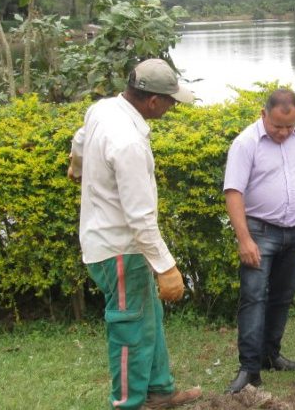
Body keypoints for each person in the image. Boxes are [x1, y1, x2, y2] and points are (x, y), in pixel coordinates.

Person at [68, 58, 202, 410]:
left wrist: (76, 163)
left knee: (148, 319)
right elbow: (140, 218)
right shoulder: (129, 142)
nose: (173, 108)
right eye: (171, 101)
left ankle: (159, 392)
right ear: (153, 101)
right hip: (120, 249)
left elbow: (81, 137)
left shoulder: (104, 109)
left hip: (117, 243)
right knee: (129, 328)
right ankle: (128, 403)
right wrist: (166, 267)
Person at [223, 88, 295, 394]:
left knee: (282, 296)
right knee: (254, 297)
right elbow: (233, 193)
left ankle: (270, 355)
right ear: (264, 114)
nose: (283, 133)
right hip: (259, 232)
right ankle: (249, 369)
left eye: (289, 127)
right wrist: (244, 239)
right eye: (277, 126)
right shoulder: (246, 143)